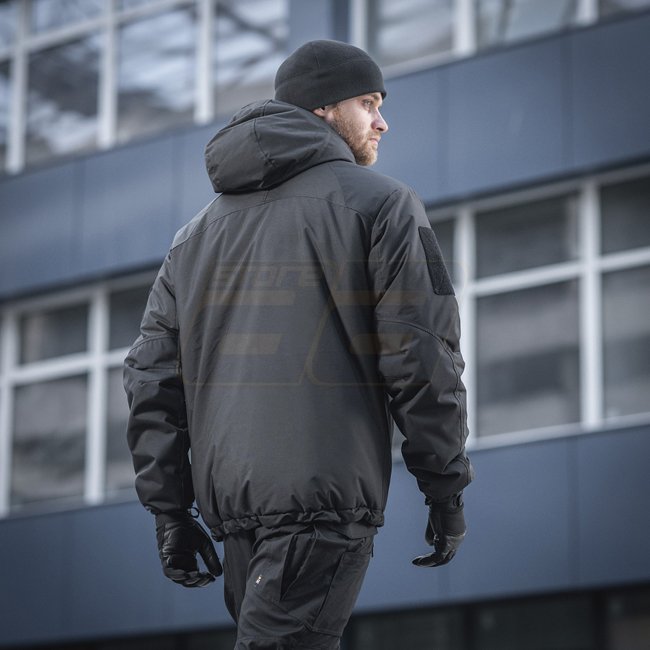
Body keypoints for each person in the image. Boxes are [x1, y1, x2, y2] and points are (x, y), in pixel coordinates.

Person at [124, 39, 473, 649]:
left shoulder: (192, 239)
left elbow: (152, 380)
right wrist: (445, 486)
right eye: (368, 103)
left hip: (234, 512)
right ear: (323, 109)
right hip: (322, 501)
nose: (382, 122)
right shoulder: (383, 205)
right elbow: (422, 356)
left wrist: (171, 511)